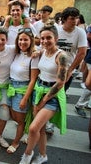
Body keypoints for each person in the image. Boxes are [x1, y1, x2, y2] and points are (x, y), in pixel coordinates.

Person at [19, 23, 68, 164]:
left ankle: (27, 154)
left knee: (33, 128)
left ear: (56, 38)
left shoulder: (61, 56)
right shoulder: (43, 51)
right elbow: (39, 51)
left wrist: (43, 101)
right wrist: (38, 51)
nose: (45, 41)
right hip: (39, 90)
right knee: (41, 128)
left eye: (49, 38)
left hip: (52, 96)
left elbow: (60, 82)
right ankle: (42, 155)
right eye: (43, 38)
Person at [7, 27, 39, 154]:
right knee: (14, 116)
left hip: (22, 90)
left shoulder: (34, 56)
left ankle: (15, 142)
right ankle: (25, 132)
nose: (22, 42)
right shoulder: (16, 53)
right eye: (20, 39)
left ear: (31, 40)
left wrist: (25, 98)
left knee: (19, 120)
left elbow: (33, 80)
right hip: (11, 88)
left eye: (25, 40)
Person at [55, 7, 87, 133]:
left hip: (67, 70)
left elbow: (81, 53)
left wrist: (70, 71)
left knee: (57, 96)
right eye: (72, 18)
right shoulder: (56, 30)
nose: (75, 21)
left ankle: (51, 122)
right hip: (51, 68)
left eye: (77, 18)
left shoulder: (80, 32)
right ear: (64, 19)